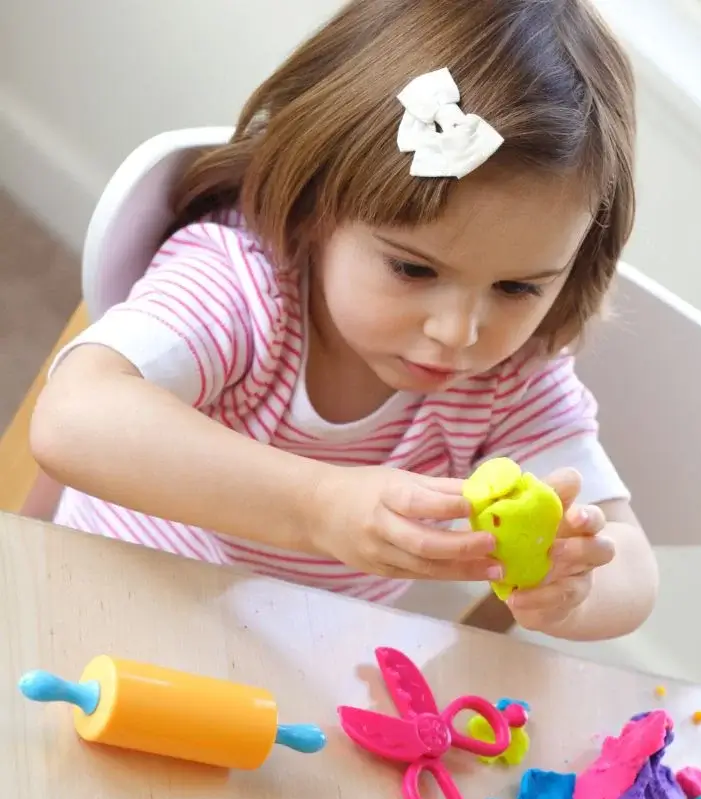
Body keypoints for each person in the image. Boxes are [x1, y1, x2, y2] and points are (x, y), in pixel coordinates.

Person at [31, 0, 658, 641]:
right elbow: (74, 417)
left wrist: (573, 584)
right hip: (100, 615)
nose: (458, 332)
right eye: (414, 270)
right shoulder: (243, 288)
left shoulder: (508, 380)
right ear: (315, 205)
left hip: (289, 670)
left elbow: (632, 567)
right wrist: (317, 505)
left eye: (518, 287)